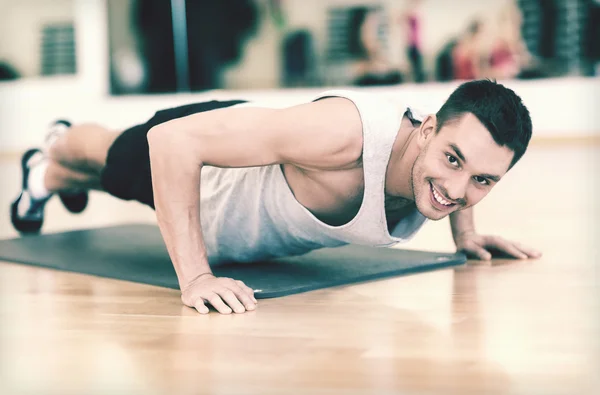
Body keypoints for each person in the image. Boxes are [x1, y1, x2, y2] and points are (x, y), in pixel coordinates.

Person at [10, 79, 542, 315]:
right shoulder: (344, 135)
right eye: (452, 161)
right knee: (109, 157)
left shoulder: (450, 166)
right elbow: (170, 143)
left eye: (483, 181)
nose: (456, 189)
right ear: (426, 130)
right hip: (207, 176)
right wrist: (195, 278)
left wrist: (467, 235)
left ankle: (49, 177)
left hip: (237, 219)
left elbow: (467, 166)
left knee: (96, 177)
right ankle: (57, 144)